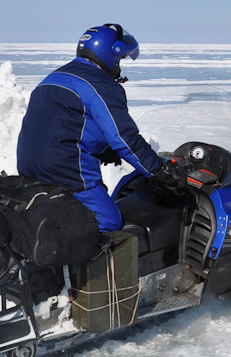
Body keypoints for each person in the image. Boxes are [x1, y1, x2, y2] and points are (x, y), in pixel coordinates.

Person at [16, 23, 171, 234]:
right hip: (67, 172)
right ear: (109, 54)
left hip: (29, 168)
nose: (119, 67)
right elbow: (125, 137)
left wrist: (105, 149)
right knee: (108, 221)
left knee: (54, 216)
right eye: (120, 60)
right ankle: (79, 265)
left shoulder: (54, 77)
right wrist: (159, 172)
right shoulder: (101, 84)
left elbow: (66, 123)